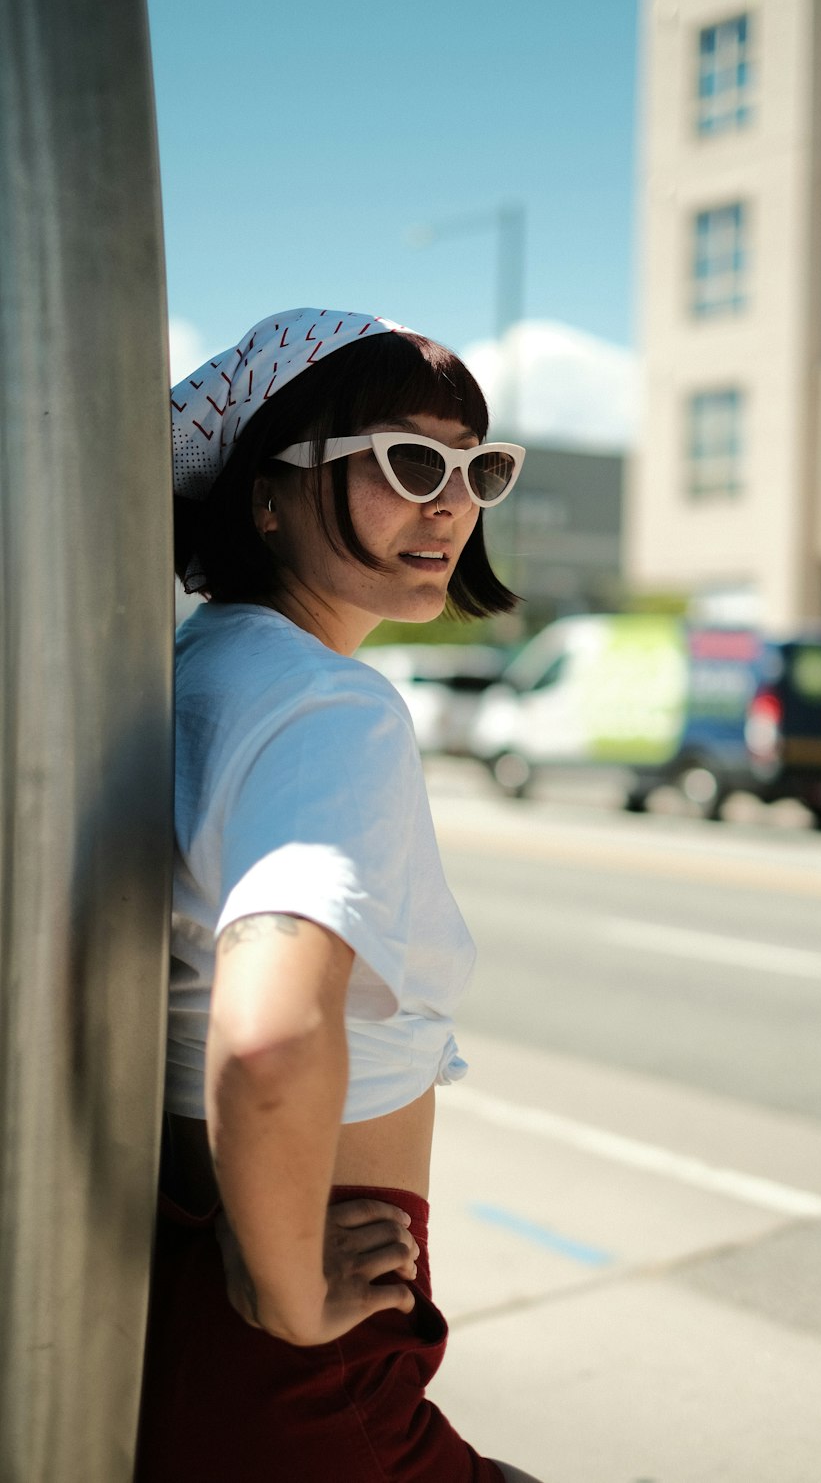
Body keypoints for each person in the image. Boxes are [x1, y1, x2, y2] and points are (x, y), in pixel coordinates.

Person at [135, 308, 544, 1482]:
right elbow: (268, 1039)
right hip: (304, 1364)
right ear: (265, 496)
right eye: (410, 461)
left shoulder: (202, 668)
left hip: (193, 1286)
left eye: (479, 468)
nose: (453, 501)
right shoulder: (329, 709)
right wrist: (287, 1287)